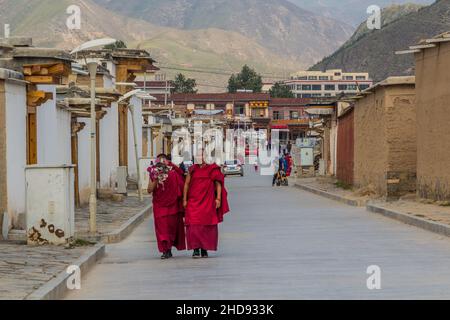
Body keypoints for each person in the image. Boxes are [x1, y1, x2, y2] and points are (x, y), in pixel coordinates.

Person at [183, 150, 230, 258]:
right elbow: (186, 184)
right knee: (192, 226)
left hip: (207, 202)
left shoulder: (212, 168)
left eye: (201, 155)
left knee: (206, 226)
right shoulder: (192, 169)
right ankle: (195, 249)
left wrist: (218, 199)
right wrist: (184, 200)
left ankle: (204, 249)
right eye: (197, 155)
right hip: (193, 202)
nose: (199, 157)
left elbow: (218, 184)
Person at [147, 154, 186, 259]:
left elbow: (149, 189)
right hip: (172, 206)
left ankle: (166, 250)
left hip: (161, 206)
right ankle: (167, 249)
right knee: (170, 228)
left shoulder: (155, 173)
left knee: (162, 229)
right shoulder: (174, 173)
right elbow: (181, 188)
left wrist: (154, 178)